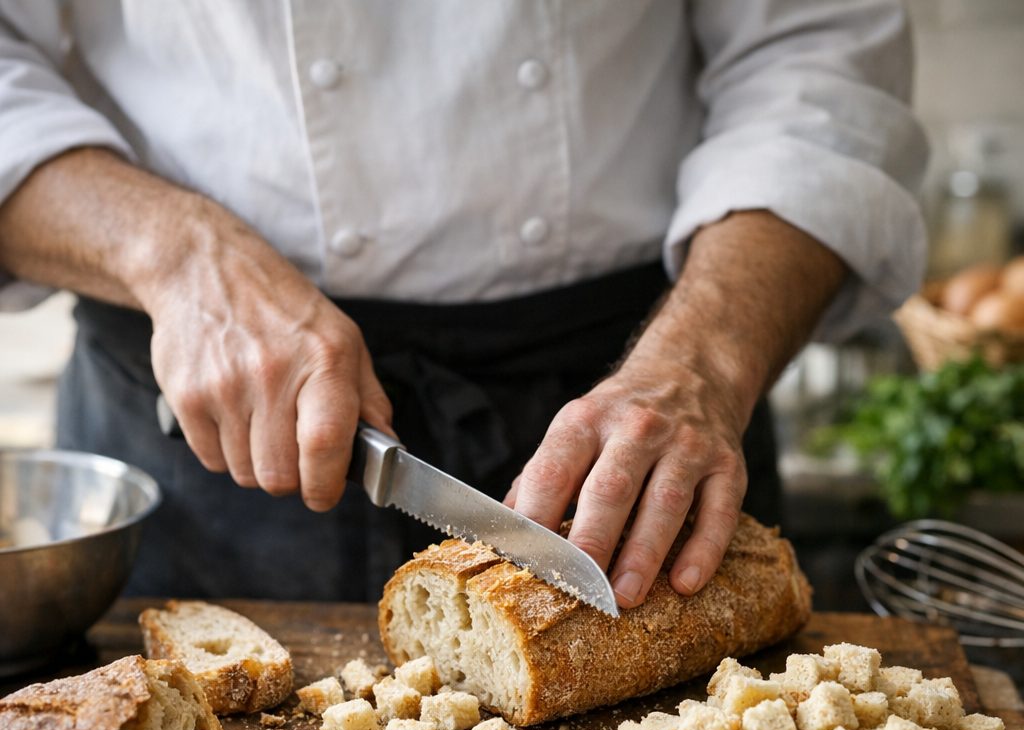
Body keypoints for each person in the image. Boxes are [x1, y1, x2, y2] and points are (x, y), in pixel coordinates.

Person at [0, 1, 927, 607]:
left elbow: (817, 57)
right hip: (222, 419)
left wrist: (705, 361)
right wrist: (175, 253)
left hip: (640, 413)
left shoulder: (679, 388)